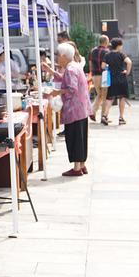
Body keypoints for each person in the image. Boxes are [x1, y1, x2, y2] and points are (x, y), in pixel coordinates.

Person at [43, 42, 91, 177]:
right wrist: (51, 71)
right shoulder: (74, 66)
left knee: (75, 138)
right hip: (81, 108)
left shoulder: (70, 69)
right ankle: (81, 165)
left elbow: (71, 89)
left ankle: (76, 168)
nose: (57, 58)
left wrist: (56, 92)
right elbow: (65, 79)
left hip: (74, 109)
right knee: (81, 137)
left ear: (64, 56)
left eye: (58, 55)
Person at [101, 38, 132, 126]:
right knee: (122, 98)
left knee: (109, 98)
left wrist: (110, 67)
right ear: (118, 46)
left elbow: (103, 66)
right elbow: (129, 62)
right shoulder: (121, 54)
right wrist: (127, 71)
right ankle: (121, 117)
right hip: (121, 78)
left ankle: (105, 115)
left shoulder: (107, 55)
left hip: (112, 79)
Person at [88, 35, 110, 122]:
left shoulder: (92, 51)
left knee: (99, 94)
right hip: (104, 75)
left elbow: (90, 64)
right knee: (104, 96)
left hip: (94, 75)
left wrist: (91, 74)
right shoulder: (107, 51)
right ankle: (103, 117)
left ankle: (92, 111)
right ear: (105, 42)